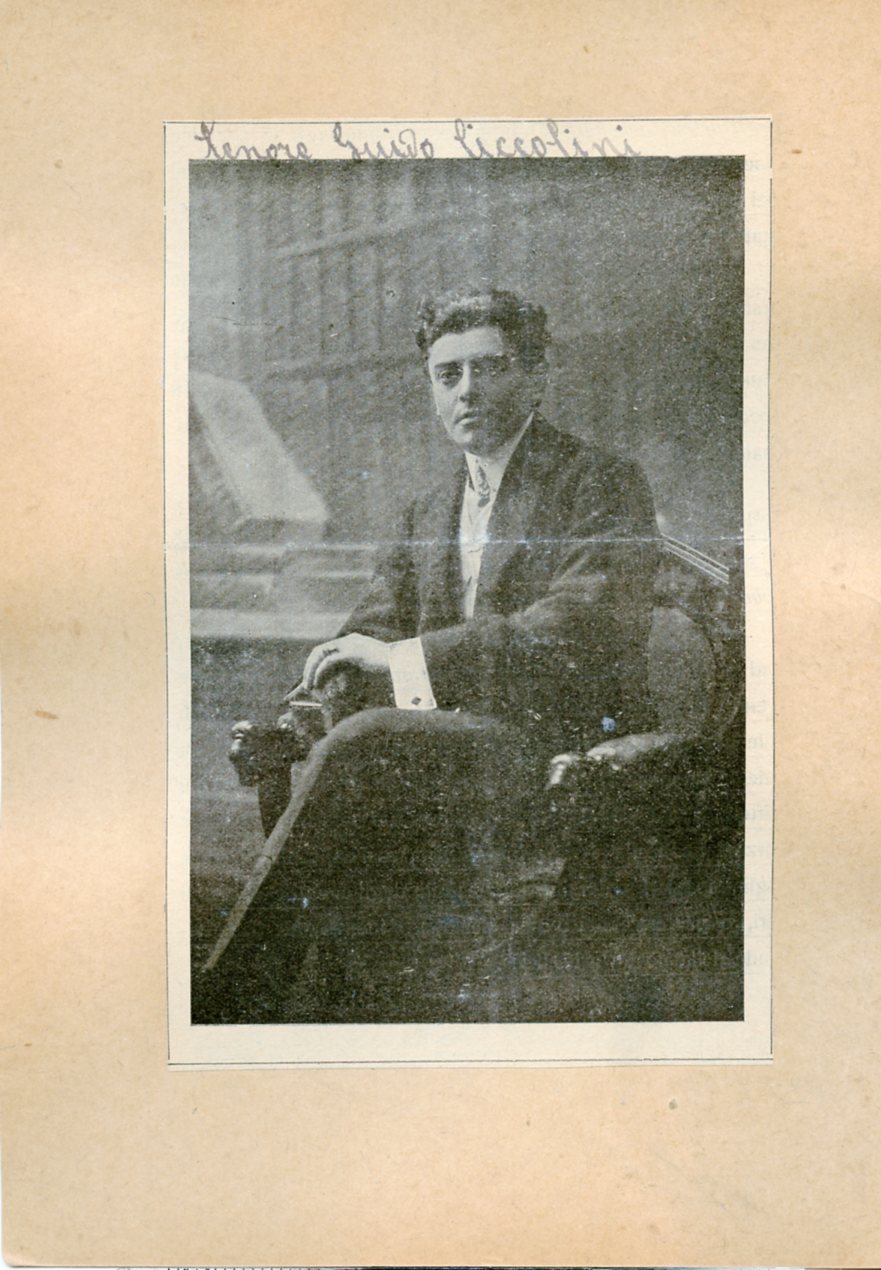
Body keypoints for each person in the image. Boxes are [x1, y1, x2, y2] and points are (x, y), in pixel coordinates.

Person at [196, 287, 660, 1024]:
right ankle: (337, 999)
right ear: (432, 389)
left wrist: (400, 662)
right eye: (448, 375)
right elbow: (373, 624)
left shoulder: (598, 482)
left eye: (490, 368)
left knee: (368, 742)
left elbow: (574, 629)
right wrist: (322, 687)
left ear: (536, 376)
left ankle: (236, 997)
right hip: (438, 744)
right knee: (338, 750)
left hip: (549, 740)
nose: (467, 390)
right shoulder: (426, 507)